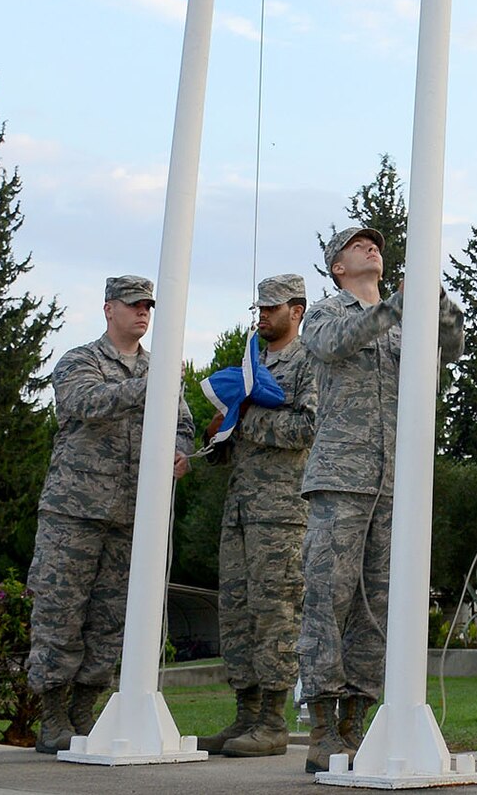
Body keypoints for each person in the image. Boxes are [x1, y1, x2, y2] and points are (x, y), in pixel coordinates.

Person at [297, 226, 465, 772]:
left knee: (380, 606)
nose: (372, 247)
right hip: (341, 478)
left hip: (397, 482)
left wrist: (434, 304)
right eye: (356, 246)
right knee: (328, 600)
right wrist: (393, 309)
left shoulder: (403, 317)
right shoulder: (327, 312)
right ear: (338, 267)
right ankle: (323, 724)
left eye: (374, 243)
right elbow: (328, 344)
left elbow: (452, 349)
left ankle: (356, 722)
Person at [27, 276, 196, 755]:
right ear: (108, 309)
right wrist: (151, 386)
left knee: (110, 618)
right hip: (75, 512)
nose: (143, 313)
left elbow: (180, 422)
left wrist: (180, 452)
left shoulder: (156, 369)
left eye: (148, 306)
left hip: (132, 516)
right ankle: (53, 715)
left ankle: (86, 710)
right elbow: (85, 404)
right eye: (133, 305)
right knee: (60, 613)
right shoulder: (81, 361)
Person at [196, 274, 317, 757]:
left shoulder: (310, 363)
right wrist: (219, 430)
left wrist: (247, 417)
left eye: (273, 308)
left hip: (283, 514)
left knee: (275, 616)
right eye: (260, 308)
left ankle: (272, 721)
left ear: (298, 310)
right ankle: (245, 714)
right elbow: (232, 440)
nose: (263, 316)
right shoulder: (251, 365)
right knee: (238, 614)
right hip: (241, 511)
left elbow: (309, 427)